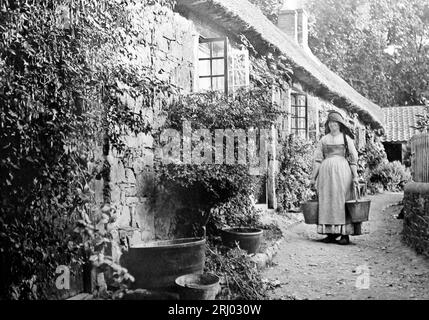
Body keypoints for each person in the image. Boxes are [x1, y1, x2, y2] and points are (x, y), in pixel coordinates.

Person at [310, 111, 363, 245]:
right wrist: (313, 177)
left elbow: (353, 159)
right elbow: (317, 159)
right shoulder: (324, 140)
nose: (333, 125)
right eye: (330, 123)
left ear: (340, 125)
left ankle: (345, 235)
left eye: (335, 123)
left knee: (342, 201)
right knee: (327, 200)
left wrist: (355, 176)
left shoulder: (346, 139)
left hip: (343, 173)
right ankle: (330, 233)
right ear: (328, 125)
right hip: (325, 174)